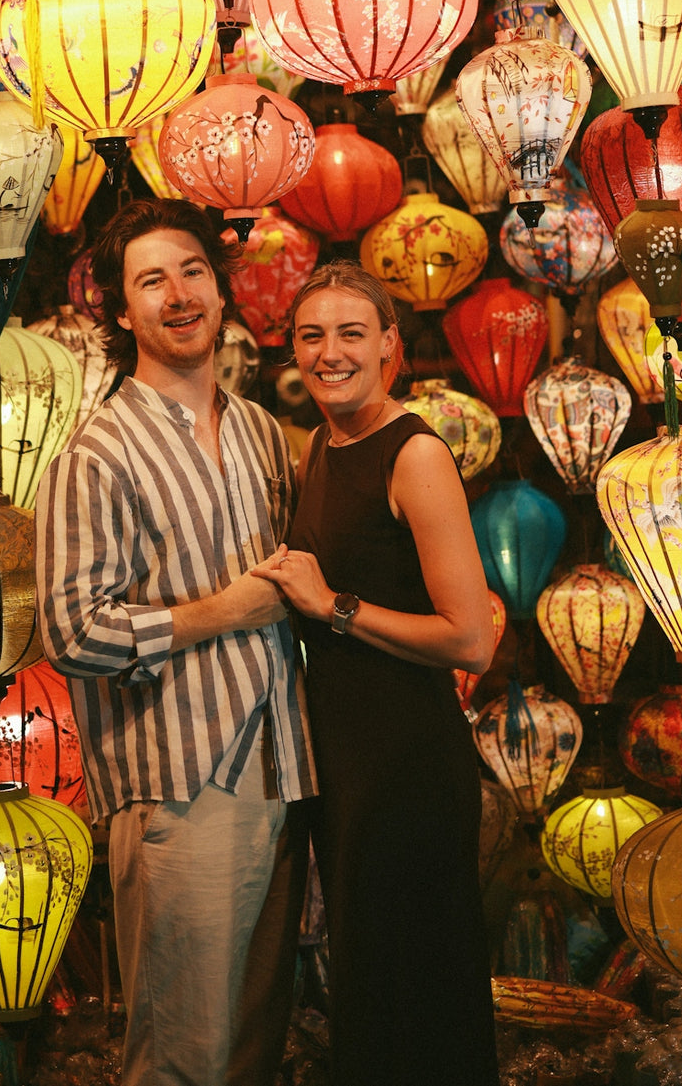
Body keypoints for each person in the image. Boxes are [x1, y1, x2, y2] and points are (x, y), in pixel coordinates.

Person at [36, 198, 316, 1086]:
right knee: (180, 1058)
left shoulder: (264, 430)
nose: (179, 293)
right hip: (180, 782)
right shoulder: (98, 453)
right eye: (151, 280)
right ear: (122, 312)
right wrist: (220, 613)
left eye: (193, 271)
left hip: (284, 767)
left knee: (252, 1051)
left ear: (221, 292)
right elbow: (71, 631)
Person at [252, 260, 499, 1086]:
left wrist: (333, 606)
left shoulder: (413, 451)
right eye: (312, 335)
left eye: (351, 333)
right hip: (347, 760)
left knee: (419, 988)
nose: (330, 352)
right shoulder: (325, 441)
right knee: (370, 985)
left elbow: (470, 639)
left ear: (390, 344)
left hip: (409, 762)